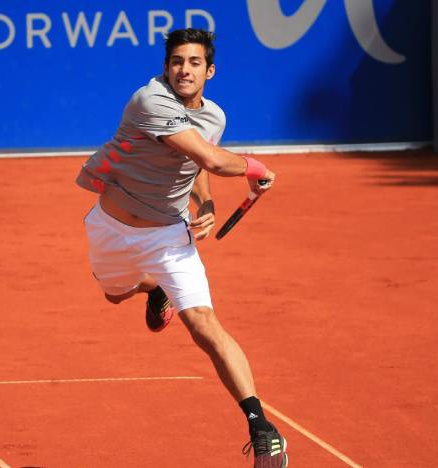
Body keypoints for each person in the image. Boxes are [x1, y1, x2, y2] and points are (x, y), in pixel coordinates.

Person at [76, 29, 287, 467]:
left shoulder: (214, 116)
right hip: (112, 228)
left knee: (205, 325)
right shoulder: (149, 100)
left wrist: (205, 200)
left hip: (169, 236)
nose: (183, 70)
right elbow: (211, 157)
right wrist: (256, 167)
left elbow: (196, 161)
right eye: (176, 61)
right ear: (166, 67)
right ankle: (153, 289)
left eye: (193, 62)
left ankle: (261, 426)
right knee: (114, 294)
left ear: (209, 70)